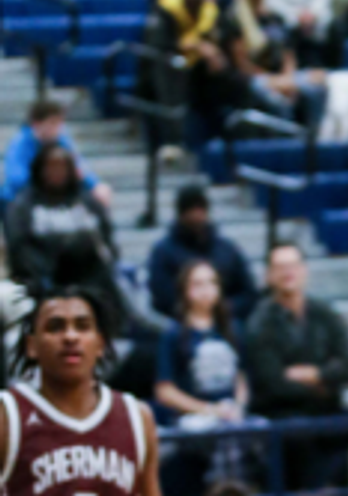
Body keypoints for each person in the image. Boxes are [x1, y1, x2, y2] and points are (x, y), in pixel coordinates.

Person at [0, 285, 161, 495]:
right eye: (55, 327)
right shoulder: (8, 417)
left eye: (82, 326)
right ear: (32, 346)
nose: (70, 337)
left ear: (100, 343)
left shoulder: (137, 417)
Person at [245, 242, 348, 489]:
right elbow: (274, 383)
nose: (288, 272)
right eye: (280, 267)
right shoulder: (260, 323)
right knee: (300, 436)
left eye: (293, 265)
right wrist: (324, 383)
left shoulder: (325, 312)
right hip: (281, 412)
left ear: (305, 270)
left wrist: (316, 374)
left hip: (328, 407)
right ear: (268, 275)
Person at [154, 261, 249, 496]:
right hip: (192, 429)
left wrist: (237, 406)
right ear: (185, 291)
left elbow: (241, 376)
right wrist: (207, 409)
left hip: (230, 425)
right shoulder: (173, 334)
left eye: (211, 283)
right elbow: (165, 390)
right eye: (197, 284)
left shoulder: (232, 329)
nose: (206, 289)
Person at [4, 144, 122, 324]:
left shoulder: (87, 202)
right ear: (40, 169)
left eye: (62, 167)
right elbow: (19, 251)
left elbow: (107, 244)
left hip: (92, 281)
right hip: (42, 282)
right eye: (51, 167)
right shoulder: (22, 206)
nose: (57, 172)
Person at [223, 0, 328, 128]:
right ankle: (289, 141)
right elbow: (242, 64)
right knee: (276, 98)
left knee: (319, 80)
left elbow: (288, 53)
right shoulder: (234, 18)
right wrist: (277, 82)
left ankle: (316, 134)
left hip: (281, 76)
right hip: (254, 79)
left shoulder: (275, 16)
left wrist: (288, 77)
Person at [143, 0, 237, 149]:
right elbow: (160, 43)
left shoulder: (210, 9)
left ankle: (221, 139)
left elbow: (218, 39)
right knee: (169, 70)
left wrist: (214, 54)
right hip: (168, 63)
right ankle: (172, 141)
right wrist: (193, 46)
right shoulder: (166, 6)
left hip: (199, 68)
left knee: (223, 72)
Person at [147, 185, 258, 321]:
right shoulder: (163, 252)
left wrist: (223, 309)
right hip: (181, 328)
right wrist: (197, 312)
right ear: (181, 214)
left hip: (228, 325)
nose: (196, 216)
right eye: (190, 210)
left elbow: (248, 292)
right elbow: (163, 298)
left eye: (200, 209)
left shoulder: (227, 248)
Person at [3, 98, 112, 207]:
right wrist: (48, 182)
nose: (57, 128)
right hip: (27, 195)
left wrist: (95, 185)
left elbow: (79, 168)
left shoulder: (62, 141)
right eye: (52, 123)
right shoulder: (20, 143)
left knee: (97, 194)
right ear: (36, 124)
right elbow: (16, 178)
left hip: (57, 193)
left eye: (60, 123)